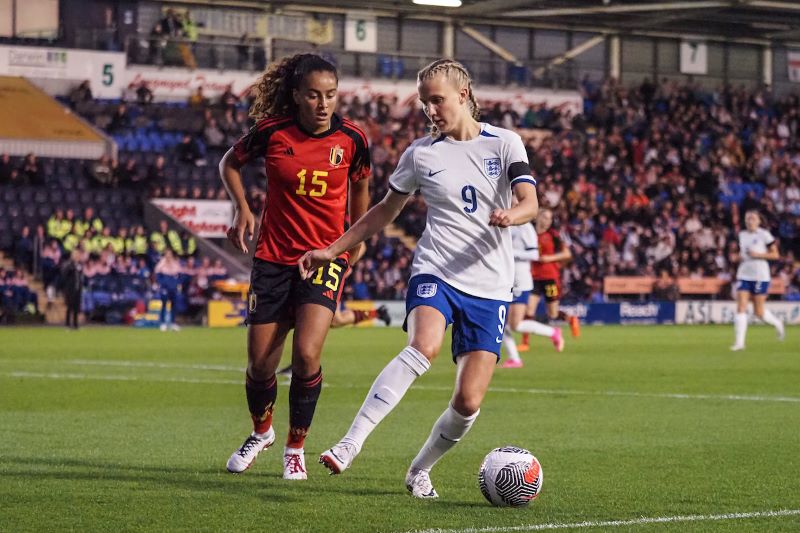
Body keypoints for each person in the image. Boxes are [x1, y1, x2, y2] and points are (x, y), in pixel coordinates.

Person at [300, 58, 538, 498]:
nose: (430, 110)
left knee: (468, 402)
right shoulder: (421, 154)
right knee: (423, 345)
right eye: (424, 102)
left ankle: (419, 469)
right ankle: (351, 443)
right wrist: (332, 249)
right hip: (437, 269)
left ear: (463, 95)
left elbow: (530, 202)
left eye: (437, 100)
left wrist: (512, 215)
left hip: (490, 286)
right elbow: (385, 211)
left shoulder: (505, 143)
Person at [219, 53, 371, 480]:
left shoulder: (352, 140)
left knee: (306, 354)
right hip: (272, 259)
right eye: (314, 95)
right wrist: (242, 209)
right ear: (296, 96)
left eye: (331, 95)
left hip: (323, 259)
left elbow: (361, 187)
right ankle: (262, 432)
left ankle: (295, 446)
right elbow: (229, 162)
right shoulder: (272, 132)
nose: (324, 104)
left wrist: (351, 243)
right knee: (260, 365)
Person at [501, 216, 564, 369]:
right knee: (501, 322)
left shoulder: (525, 227)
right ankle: (514, 359)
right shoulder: (506, 224)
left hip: (519, 280)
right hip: (506, 279)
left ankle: (553, 332)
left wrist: (509, 252)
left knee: (515, 325)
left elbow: (534, 254)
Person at [518, 207, 580, 351]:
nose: (547, 221)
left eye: (550, 218)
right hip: (533, 277)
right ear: (537, 217)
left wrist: (549, 258)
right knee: (529, 310)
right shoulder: (529, 232)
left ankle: (570, 319)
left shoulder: (553, 235)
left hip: (549, 277)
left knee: (552, 313)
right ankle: (525, 343)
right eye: (545, 217)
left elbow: (567, 253)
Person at [731, 210, 785, 351]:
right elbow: (737, 254)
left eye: (753, 218)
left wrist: (758, 255)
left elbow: (775, 255)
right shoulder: (741, 235)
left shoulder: (764, 235)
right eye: (748, 218)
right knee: (741, 306)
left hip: (760, 276)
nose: (750, 221)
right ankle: (739, 343)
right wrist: (736, 258)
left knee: (759, 313)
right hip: (744, 275)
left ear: (759, 221)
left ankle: (778, 324)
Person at [155, 249, 182, 332]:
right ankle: (163, 323)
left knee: (174, 306)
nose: (168, 255)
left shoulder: (175, 263)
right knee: (164, 305)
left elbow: (179, 275)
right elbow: (158, 275)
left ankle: (173, 323)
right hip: (165, 288)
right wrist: (162, 285)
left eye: (170, 254)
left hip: (173, 288)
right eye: (167, 254)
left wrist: (177, 284)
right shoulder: (161, 263)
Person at [60, 250, 84, 330]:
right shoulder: (68, 264)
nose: (77, 257)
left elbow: (81, 276)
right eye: (76, 255)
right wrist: (72, 268)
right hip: (70, 288)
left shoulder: (80, 265)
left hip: (78, 288)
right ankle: (67, 324)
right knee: (69, 307)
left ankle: (75, 324)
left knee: (76, 307)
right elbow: (64, 275)